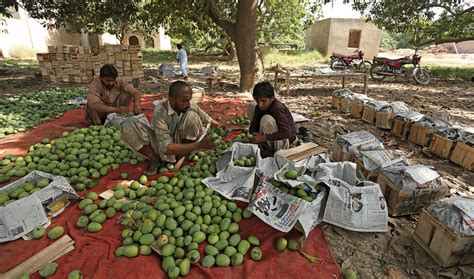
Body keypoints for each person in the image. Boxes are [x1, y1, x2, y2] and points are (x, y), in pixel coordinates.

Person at [121, 81, 220, 175]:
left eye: (189, 100)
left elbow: (207, 119)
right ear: (172, 100)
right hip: (162, 145)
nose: (188, 104)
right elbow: (165, 147)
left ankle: (183, 155)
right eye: (184, 101)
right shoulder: (159, 111)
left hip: (182, 142)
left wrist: (221, 128)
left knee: (192, 116)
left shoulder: (189, 105)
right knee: (127, 125)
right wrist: (198, 145)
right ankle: (154, 159)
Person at [249, 81, 297, 157]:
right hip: (272, 136)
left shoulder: (277, 108)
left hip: (286, 140)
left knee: (266, 119)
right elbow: (253, 128)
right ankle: (266, 146)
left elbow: (286, 133)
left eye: (263, 101)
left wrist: (262, 138)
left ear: (272, 98)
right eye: (257, 100)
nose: (260, 104)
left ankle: (275, 151)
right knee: (251, 106)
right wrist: (255, 134)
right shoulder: (259, 106)